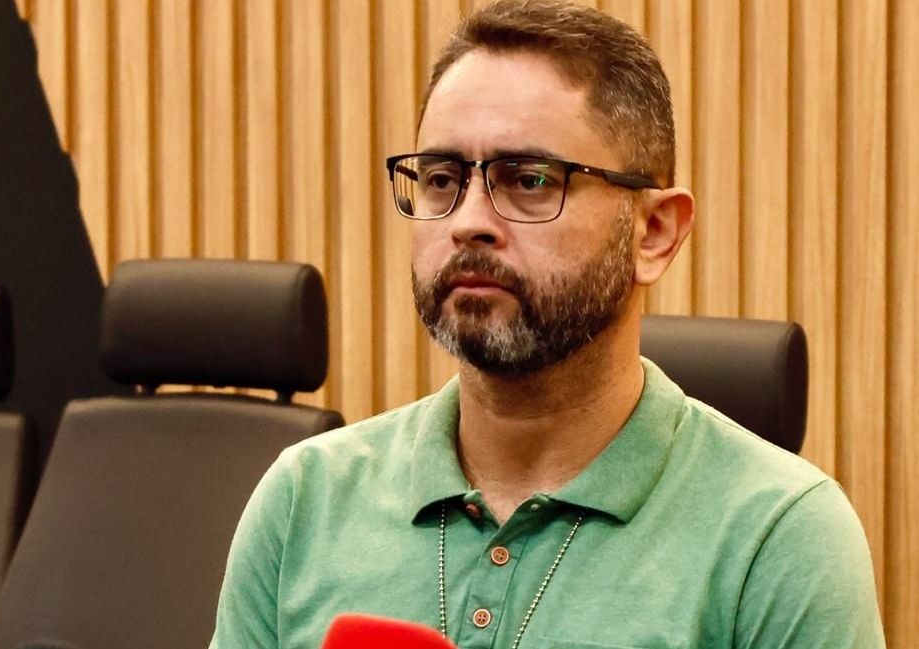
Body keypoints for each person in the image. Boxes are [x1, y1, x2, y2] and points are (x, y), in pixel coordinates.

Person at [210, 2, 885, 647]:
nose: (468, 221)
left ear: (653, 232)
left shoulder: (779, 534)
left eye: (529, 180)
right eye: (442, 178)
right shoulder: (304, 499)